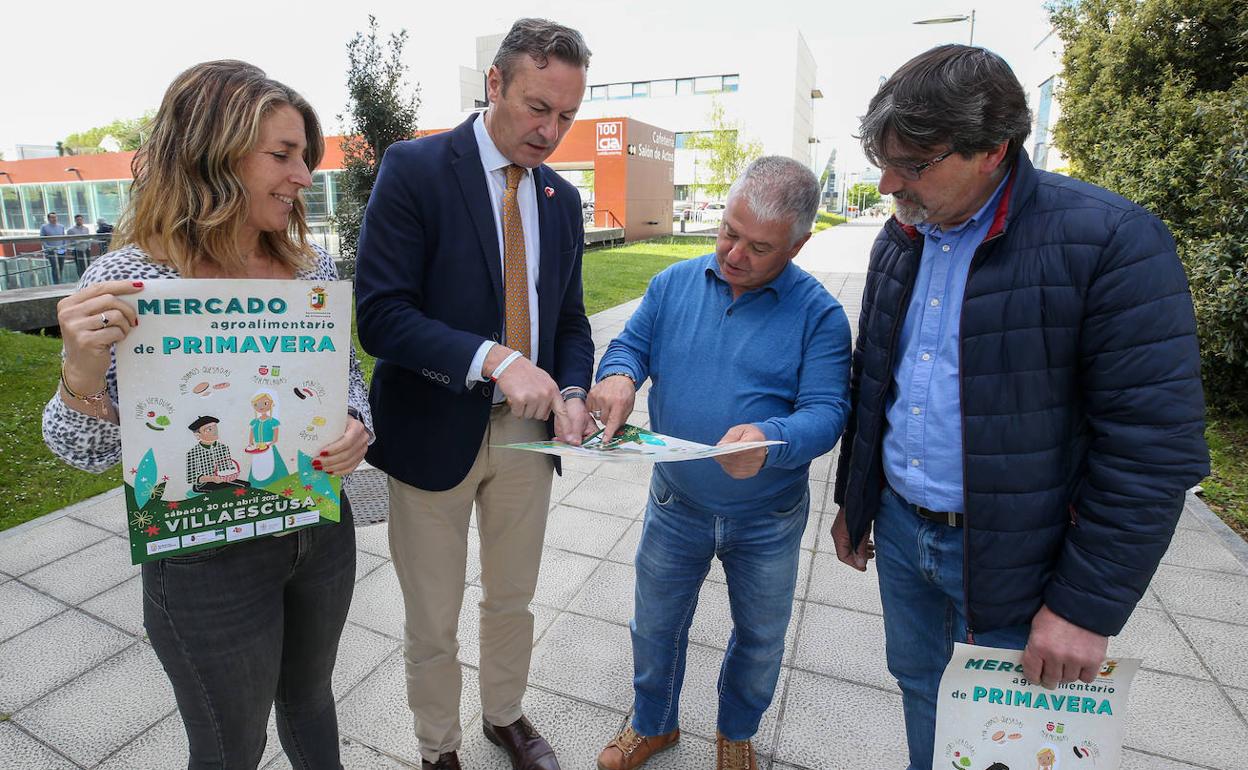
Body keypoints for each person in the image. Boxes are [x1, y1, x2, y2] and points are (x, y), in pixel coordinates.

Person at [829, 45, 1209, 770]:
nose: (886, 184)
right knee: (922, 694)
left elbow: (1153, 448)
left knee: (1012, 736)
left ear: (991, 150)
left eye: (912, 164)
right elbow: (876, 379)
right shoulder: (902, 236)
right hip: (906, 539)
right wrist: (859, 498)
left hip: (1023, 560)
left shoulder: (1110, 242)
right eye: (884, 160)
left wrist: (1084, 607)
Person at [41, 60, 373, 770]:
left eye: (305, 157)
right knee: (231, 745)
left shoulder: (309, 268)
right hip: (203, 558)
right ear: (209, 156)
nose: (304, 176)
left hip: (318, 529)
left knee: (312, 701)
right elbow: (86, 452)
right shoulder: (132, 280)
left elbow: (346, 380)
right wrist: (79, 372)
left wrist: (356, 426)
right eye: (283, 155)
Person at [355, 18, 595, 770]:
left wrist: (577, 390)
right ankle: (438, 747)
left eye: (566, 116)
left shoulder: (559, 198)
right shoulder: (415, 168)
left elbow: (569, 320)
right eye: (536, 108)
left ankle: (504, 716)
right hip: (432, 430)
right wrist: (494, 359)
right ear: (494, 84)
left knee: (513, 597)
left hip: (528, 437)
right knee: (433, 616)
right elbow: (380, 316)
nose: (550, 131)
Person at [589, 156, 852, 770]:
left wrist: (771, 436)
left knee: (759, 641)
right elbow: (630, 344)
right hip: (675, 500)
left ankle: (736, 733)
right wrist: (620, 376)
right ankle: (653, 724)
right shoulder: (673, 284)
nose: (733, 254)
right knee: (654, 626)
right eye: (728, 231)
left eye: (759, 247)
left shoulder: (820, 315)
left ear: (799, 245)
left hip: (766, 514)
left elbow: (827, 411)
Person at [185, 415, 248, 493]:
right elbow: (191, 477)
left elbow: (228, 467)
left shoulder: (223, 448)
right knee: (231, 490)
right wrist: (211, 478)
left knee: (246, 485)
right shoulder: (193, 453)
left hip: (223, 480)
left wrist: (231, 473)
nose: (214, 431)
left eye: (215, 428)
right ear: (198, 435)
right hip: (204, 484)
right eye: (209, 429)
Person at [39, 211, 67, 283]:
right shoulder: (44, 227)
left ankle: (60, 281)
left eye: (55, 217)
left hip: (61, 250)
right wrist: (48, 247)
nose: (54, 219)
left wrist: (64, 247)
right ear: (48, 219)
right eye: (52, 217)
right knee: (54, 267)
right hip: (51, 250)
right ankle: (56, 283)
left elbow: (64, 237)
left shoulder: (61, 226)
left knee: (61, 266)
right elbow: (42, 239)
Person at [67, 213, 92, 279]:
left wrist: (89, 247)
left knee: (88, 264)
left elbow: (88, 238)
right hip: (77, 250)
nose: (79, 221)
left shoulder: (86, 229)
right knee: (80, 266)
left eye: (80, 219)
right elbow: (69, 241)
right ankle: (81, 278)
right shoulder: (71, 230)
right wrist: (72, 248)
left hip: (86, 249)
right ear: (75, 220)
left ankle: (88, 278)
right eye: (78, 220)